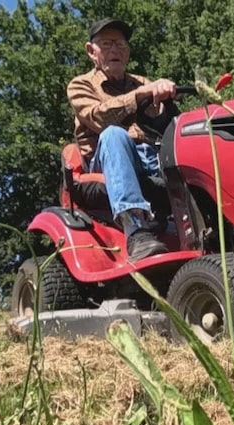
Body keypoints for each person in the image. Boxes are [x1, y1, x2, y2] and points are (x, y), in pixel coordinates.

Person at [66, 17, 178, 261]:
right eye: (106, 44)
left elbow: (161, 124)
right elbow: (98, 118)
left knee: (187, 135)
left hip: (151, 158)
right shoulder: (79, 85)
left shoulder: (143, 82)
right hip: (105, 163)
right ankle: (135, 230)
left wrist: (164, 109)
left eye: (120, 44)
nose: (115, 50)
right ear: (91, 51)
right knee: (114, 134)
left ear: (127, 52)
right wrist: (139, 96)